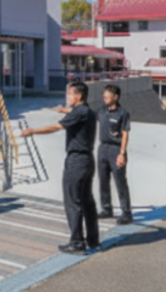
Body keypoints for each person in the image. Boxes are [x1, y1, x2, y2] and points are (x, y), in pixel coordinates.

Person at [20, 81, 100, 255]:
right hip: (87, 160)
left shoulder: (79, 112)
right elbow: (77, 114)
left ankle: (77, 243)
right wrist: (66, 110)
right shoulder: (88, 112)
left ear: (78, 96)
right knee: (87, 201)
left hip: (76, 161)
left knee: (73, 202)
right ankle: (93, 240)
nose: (68, 97)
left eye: (70, 94)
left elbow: (56, 127)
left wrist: (33, 131)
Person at [97, 84, 133, 224]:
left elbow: (125, 134)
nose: (104, 97)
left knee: (120, 182)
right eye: (104, 95)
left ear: (115, 97)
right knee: (103, 180)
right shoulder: (101, 111)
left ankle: (126, 213)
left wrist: (122, 153)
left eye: (107, 95)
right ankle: (107, 208)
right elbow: (86, 114)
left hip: (116, 150)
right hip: (102, 149)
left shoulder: (123, 114)